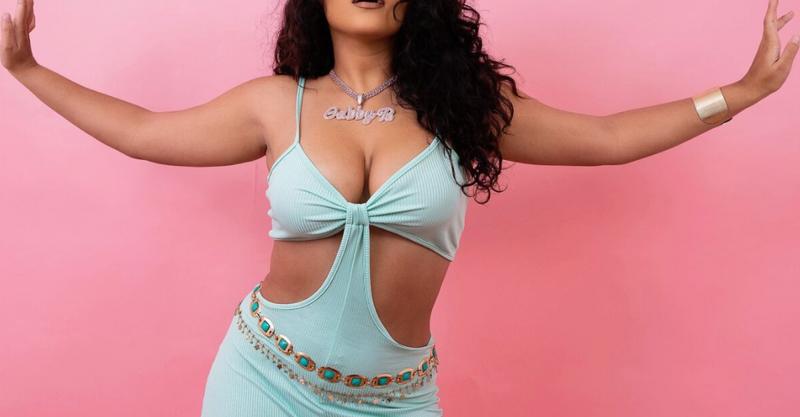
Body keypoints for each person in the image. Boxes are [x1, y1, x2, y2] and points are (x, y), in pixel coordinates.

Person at [3, 0, 797, 415]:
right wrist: (29, 69)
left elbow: (610, 137)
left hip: (392, 400)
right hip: (262, 382)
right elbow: (144, 132)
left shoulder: (466, 107)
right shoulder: (276, 104)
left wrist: (742, 91)